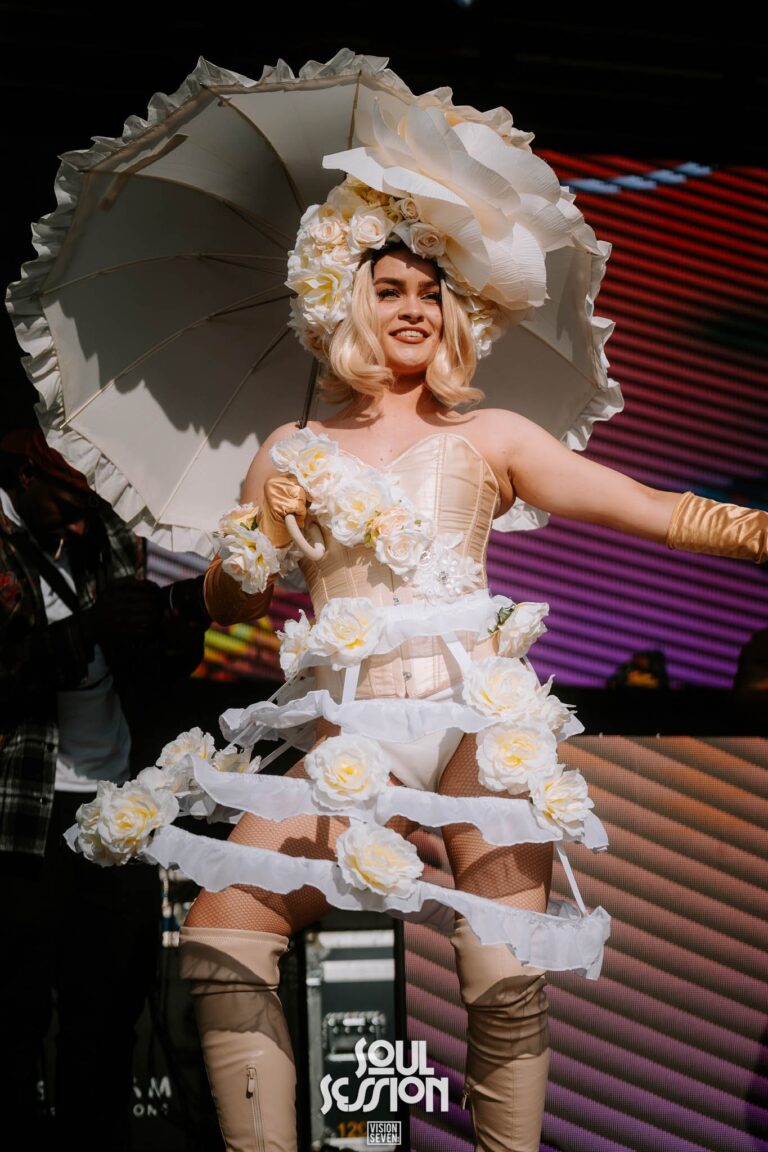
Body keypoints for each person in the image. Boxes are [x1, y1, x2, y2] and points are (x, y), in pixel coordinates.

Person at [68, 118, 767, 1152]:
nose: (414, 309)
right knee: (222, 936)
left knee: (504, 963)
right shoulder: (290, 447)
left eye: (430, 292)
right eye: (390, 289)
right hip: (347, 731)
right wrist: (265, 535)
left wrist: (760, 533)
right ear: (341, 304)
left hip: (470, 719)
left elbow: (653, 509)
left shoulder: (490, 435)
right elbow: (229, 608)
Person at [0, 425, 211, 1150]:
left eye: (91, 504)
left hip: (114, 811)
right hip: (19, 817)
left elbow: (145, 670)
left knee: (108, 1015)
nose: (86, 521)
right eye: (70, 505)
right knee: (14, 1016)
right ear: (26, 478)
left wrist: (177, 634)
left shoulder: (106, 533)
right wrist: (90, 625)